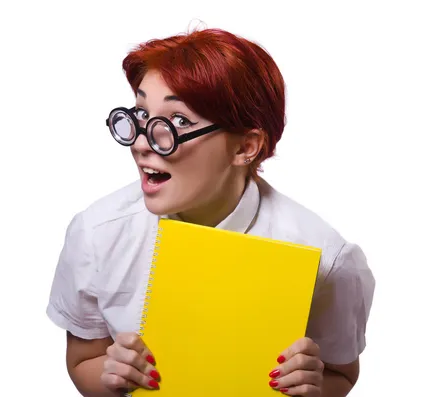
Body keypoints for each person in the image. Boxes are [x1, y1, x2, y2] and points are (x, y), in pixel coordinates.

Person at [46, 27, 375, 397]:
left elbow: (341, 374)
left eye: (179, 120)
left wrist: (313, 386)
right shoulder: (96, 232)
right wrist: (113, 379)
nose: (140, 142)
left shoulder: (328, 260)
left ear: (246, 147)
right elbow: (82, 359)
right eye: (140, 114)